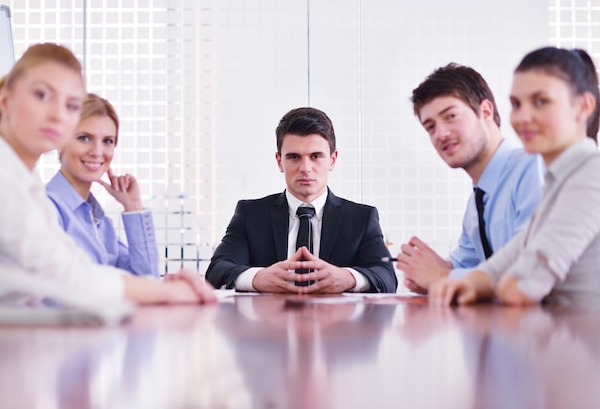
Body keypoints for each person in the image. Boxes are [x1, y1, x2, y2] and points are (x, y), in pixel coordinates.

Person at [0, 42, 216, 306]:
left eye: (71, 105)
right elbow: (68, 278)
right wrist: (168, 292)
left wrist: (161, 284)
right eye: (42, 95)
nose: (57, 114)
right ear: (6, 101)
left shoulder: (27, 184)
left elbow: (87, 268)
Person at [430, 46, 600, 308]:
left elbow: (522, 286)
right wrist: (478, 279)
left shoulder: (591, 176)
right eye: (516, 104)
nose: (523, 117)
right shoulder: (561, 179)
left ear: (583, 106)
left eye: (541, 101)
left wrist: (487, 281)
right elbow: (509, 259)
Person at [205, 107, 396, 293]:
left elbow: (386, 277)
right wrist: (258, 278)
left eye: (316, 156)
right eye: (294, 157)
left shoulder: (361, 218)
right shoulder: (250, 214)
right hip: (269, 322)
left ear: (332, 160)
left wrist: (347, 278)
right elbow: (217, 271)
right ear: (279, 161)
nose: (305, 168)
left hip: (337, 323)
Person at [396, 64, 544, 294]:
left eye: (451, 116)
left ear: (485, 111)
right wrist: (428, 271)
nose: (441, 134)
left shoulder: (533, 168)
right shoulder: (478, 200)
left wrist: (444, 276)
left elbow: (533, 272)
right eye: (430, 127)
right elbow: (465, 263)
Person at [46, 93, 158, 277]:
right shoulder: (45, 209)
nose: (97, 152)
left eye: (107, 141)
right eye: (84, 138)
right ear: (60, 141)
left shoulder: (101, 224)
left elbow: (147, 278)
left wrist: (133, 206)